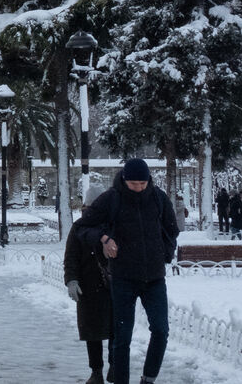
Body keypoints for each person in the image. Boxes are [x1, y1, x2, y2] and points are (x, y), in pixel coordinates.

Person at [78, 159, 178, 384]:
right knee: (122, 337)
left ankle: (148, 379)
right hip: (123, 278)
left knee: (161, 330)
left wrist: (165, 252)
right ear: (124, 180)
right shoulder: (111, 199)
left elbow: (172, 229)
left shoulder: (158, 198)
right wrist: (104, 238)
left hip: (154, 277)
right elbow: (83, 227)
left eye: (143, 183)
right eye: (134, 184)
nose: (139, 188)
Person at [65, 186, 112, 384]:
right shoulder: (79, 227)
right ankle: (97, 371)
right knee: (93, 332)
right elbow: (71, 257)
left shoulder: (112, 224)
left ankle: (113, 367)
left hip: (110, 285)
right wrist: (72, 280)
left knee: (115, 330)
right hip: (89, 286)